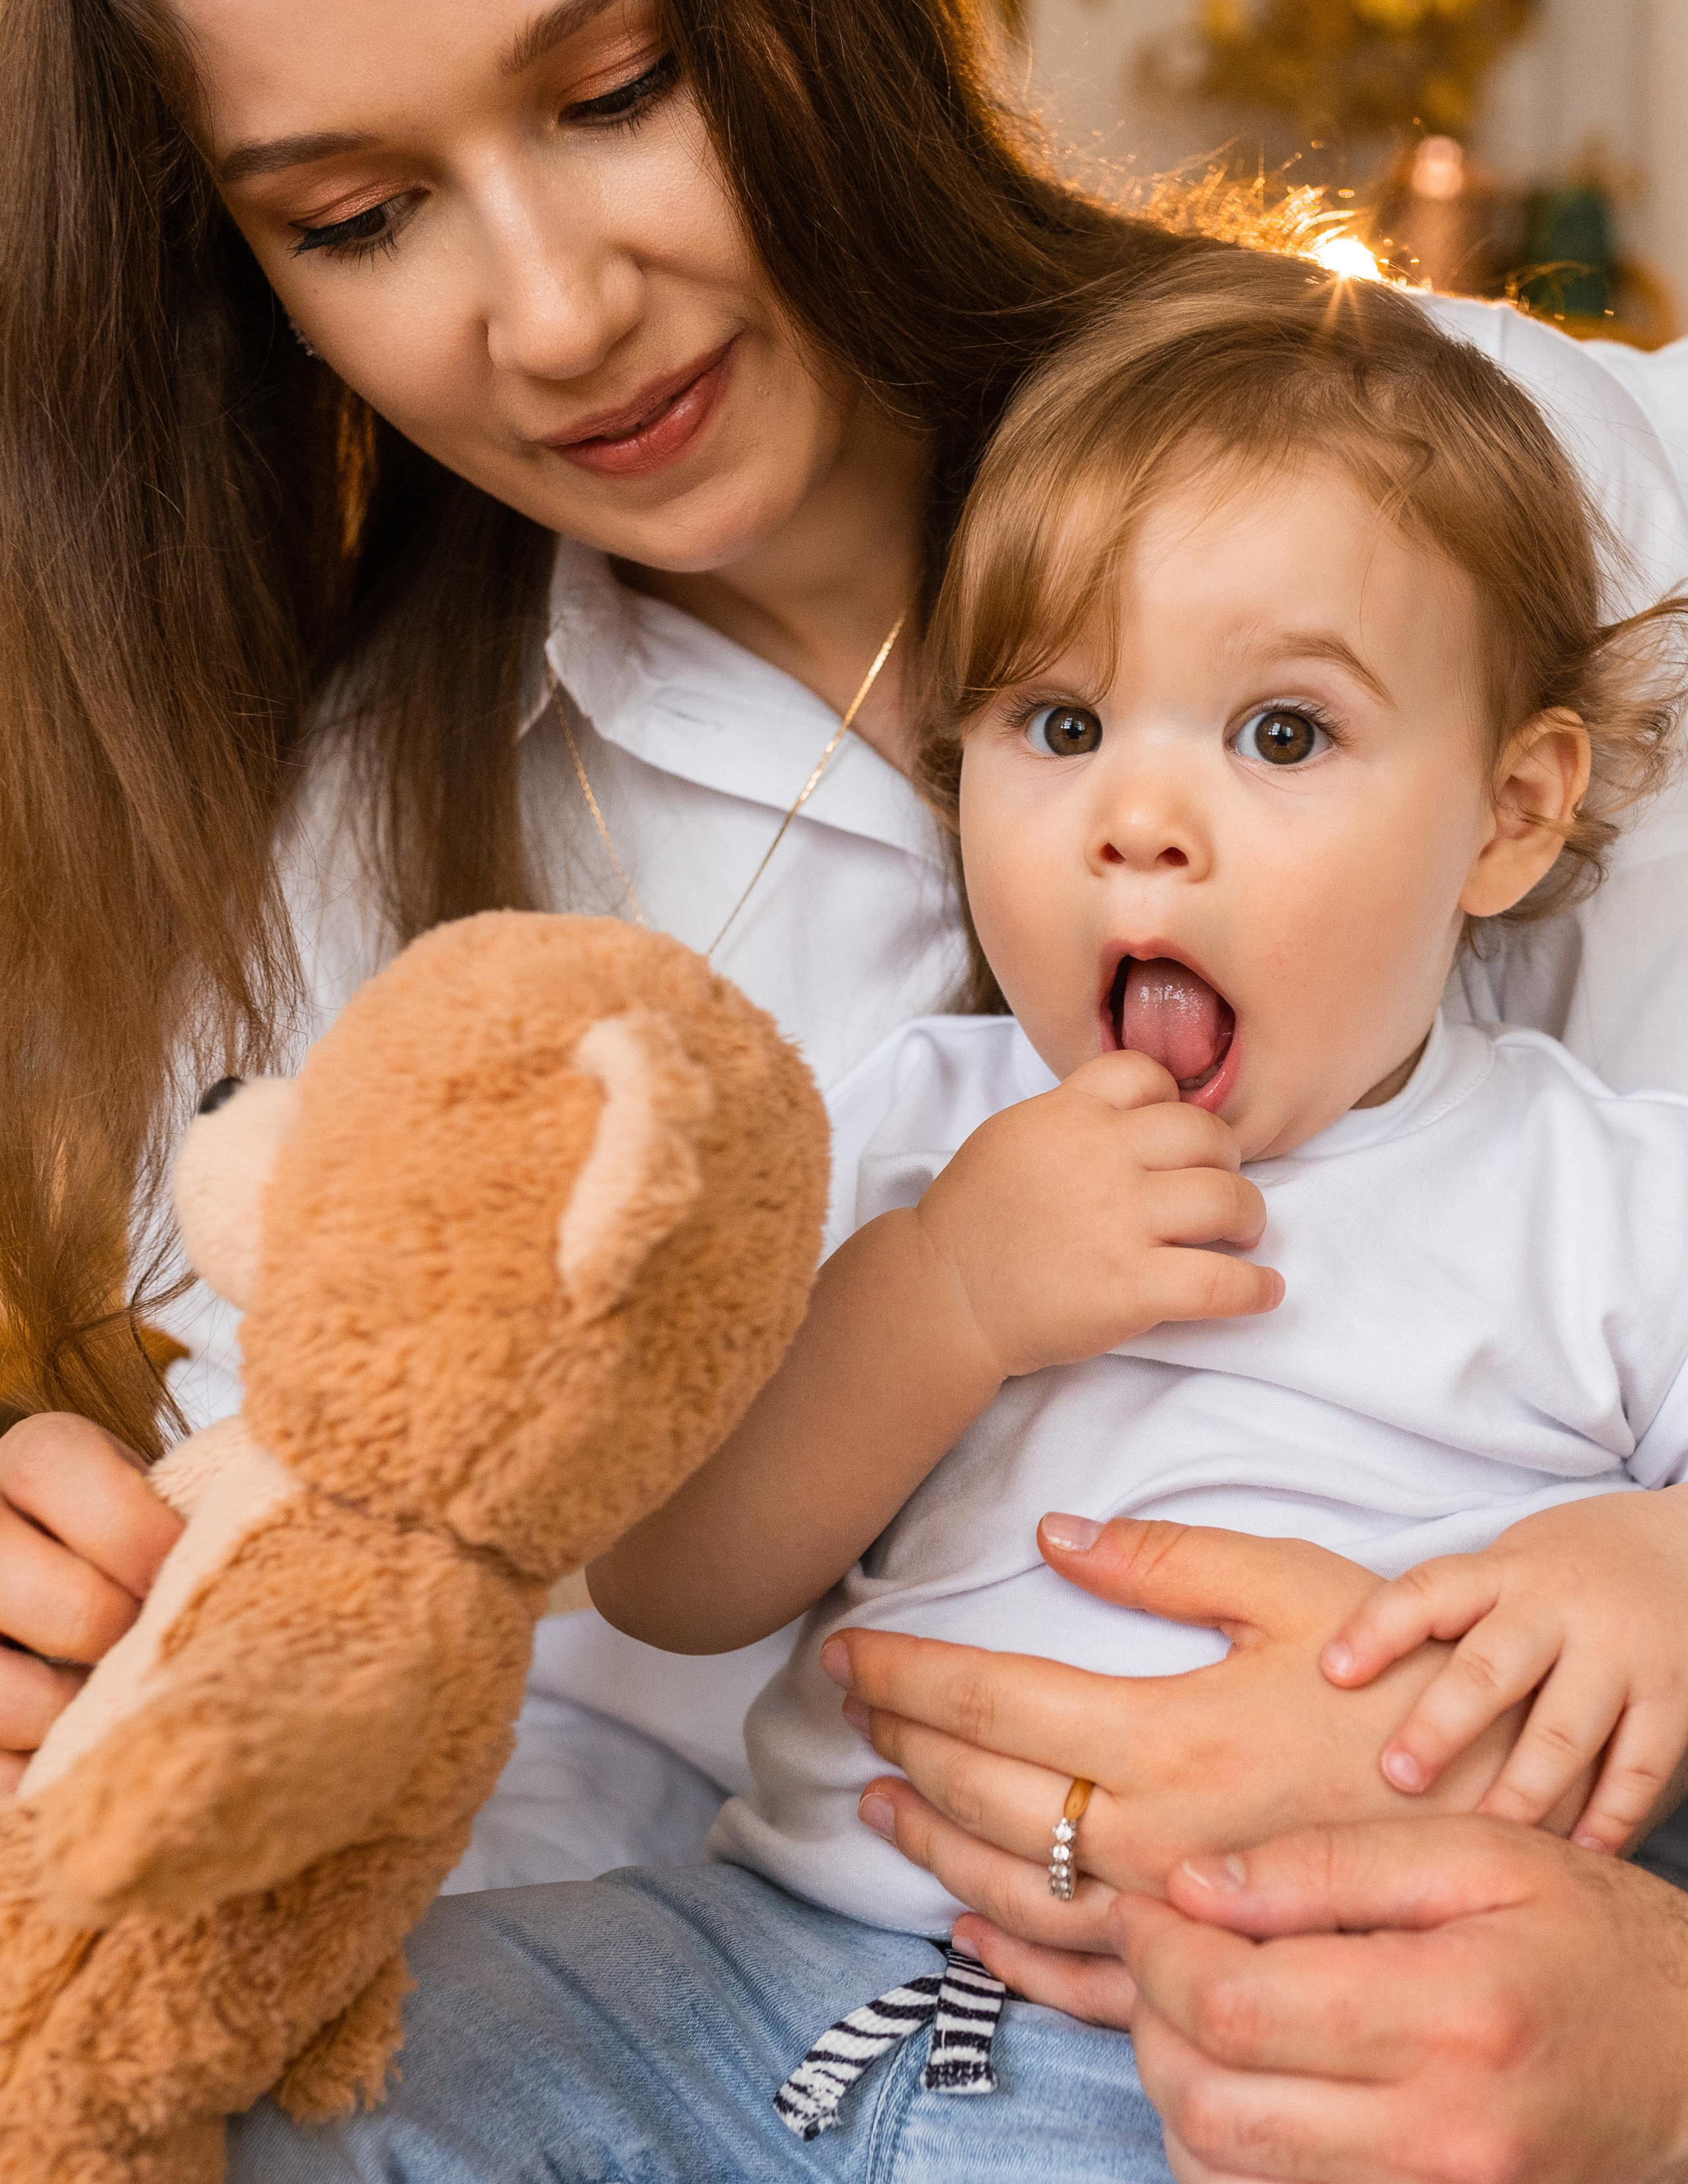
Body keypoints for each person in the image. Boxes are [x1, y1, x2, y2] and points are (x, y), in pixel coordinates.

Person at [0, 0, 1687, 2173]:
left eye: (616, 92)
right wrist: (139, 1666)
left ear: (1518, 812)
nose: (561, 312)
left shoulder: (1585, 1101)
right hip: (737, 1948)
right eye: (361, 213)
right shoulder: (882, 1093)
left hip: (1247, 2045)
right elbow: (636, 1566)